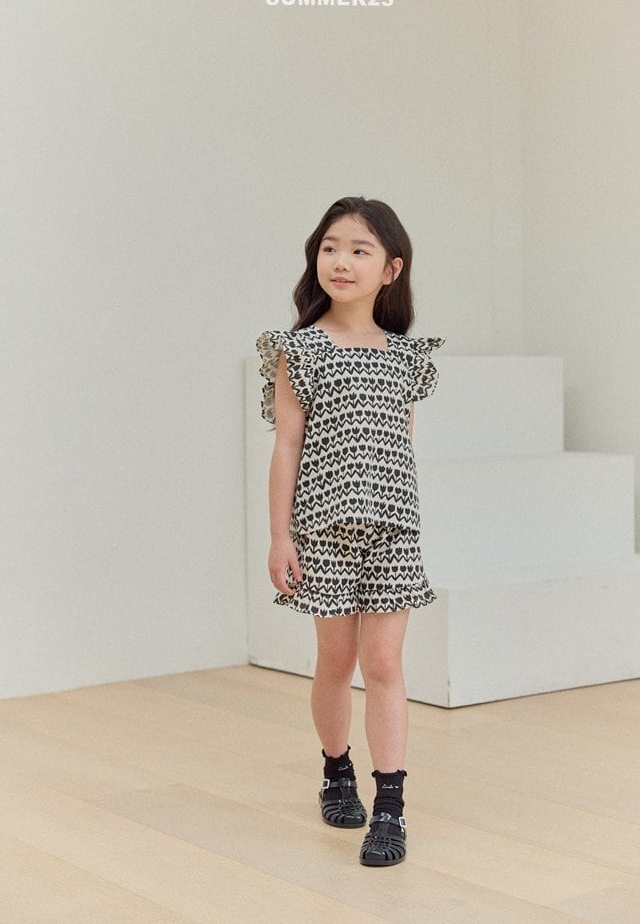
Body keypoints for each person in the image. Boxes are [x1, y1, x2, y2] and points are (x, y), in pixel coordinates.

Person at [256, 196, 443, 867]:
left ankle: (389, 807)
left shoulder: (406, 357)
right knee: (336, 662)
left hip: (394, 532)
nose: (340, 261)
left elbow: (400, 447)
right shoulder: (299, 350)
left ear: (391, 268)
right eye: (329, 248)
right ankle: (336, 770)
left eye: (359, 250)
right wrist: (281, 536)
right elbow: (286, 447)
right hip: (323, 529)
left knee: (385, 664)